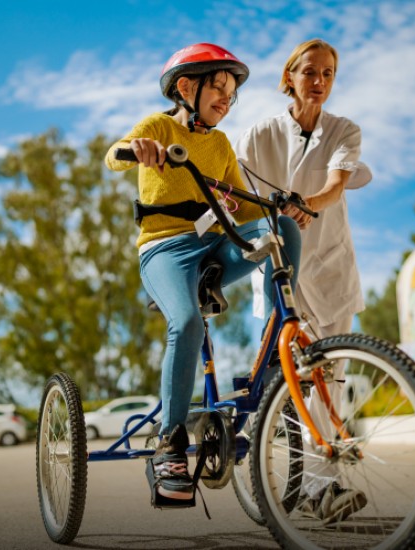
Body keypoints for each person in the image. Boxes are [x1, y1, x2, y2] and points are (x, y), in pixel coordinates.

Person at [104, 43, 302, 508]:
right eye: (219, 88)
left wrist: (279, 207)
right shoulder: (159, 126)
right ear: (186, 87)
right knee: (188, 322)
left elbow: (245, 205)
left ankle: (279, 350)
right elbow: (112, 155)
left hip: (215, 245)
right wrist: (139, 149)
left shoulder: (220, 143)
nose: (227, 100)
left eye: (232, 93)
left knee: (282, 227)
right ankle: (169, 443)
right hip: (165, 251)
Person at [234, 38, 371, 524]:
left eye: (329, 73)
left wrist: (308, 204)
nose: (320, 81)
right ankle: (309, 480)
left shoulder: (343, 130)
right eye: (310, 71)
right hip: (280, 268)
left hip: (330, 268)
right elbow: (236, 193)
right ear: (289, 76)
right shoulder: (258, 135)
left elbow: (336, 185)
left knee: (328, 378)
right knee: (292, 379)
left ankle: (321, 485)